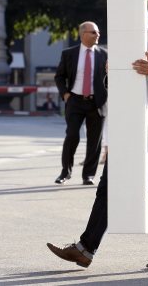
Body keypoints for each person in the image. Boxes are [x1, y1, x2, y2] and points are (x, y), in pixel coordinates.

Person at [47, 0, 148, 270]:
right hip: (127, 124)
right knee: (107, 188)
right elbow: (115, 83)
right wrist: (108, 73)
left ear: (145, 7)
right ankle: (85, 249)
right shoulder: (121, 43)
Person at [54, 21, 108, 185]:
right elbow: (59, 76)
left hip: (96, 102)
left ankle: (88, 175)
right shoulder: (69, 54)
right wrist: (65, 94)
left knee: (94, 140)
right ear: (83, 34)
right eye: (93, 32)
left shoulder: (104, 55)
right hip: (75, 100)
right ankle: (65, 172)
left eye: (98, 32)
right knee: (72, 135)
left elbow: (109, 80)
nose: (97, 35)